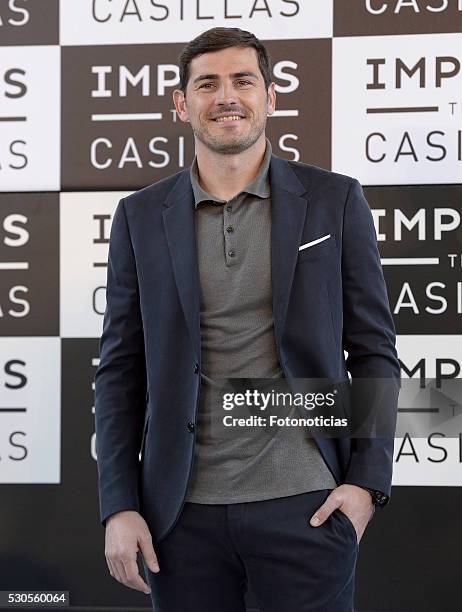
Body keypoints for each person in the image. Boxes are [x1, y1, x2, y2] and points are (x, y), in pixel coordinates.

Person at [94, 26, 400, 612]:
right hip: (178, 517)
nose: (226, 96)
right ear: (181, 105)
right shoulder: (138, 216)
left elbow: (375, 350)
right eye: (206, 84)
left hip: (307, 503)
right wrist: (118, 504)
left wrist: (366, 485)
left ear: (270, 97)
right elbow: (119, 371)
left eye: (243, 80)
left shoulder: (335, 198)